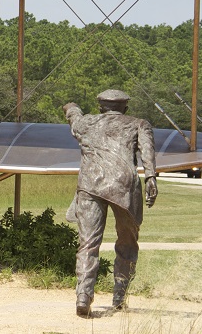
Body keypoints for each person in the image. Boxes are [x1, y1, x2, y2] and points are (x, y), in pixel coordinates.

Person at [62, 89, 158, 317]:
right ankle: (119, 296)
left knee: (88, 244)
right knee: (127, 243)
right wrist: (151, 177)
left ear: (100, 107)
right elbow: (147, 151)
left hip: (90, 185)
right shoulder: (139, 124)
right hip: (123, 186)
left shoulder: (86, 123)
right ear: (125, 108)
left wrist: (71, 105)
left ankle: (83, 295)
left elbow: (74, 117)